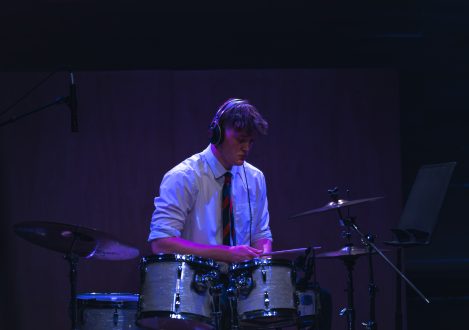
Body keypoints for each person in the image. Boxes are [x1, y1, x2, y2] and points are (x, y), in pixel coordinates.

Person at [148, 98, 272, 262]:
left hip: (242, 285)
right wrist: (226, 254)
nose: (247, 148)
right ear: (217, 134)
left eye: (251, 142)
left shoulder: (255, 178)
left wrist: (263, 257)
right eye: (241, 140)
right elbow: (161, 243)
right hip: (194, 284)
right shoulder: (183, 176)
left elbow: (261, 235)